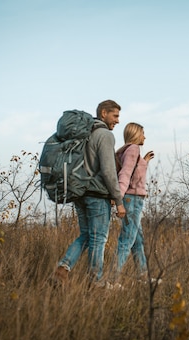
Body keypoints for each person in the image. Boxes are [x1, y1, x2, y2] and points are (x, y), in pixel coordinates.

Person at [54, 100, 126, 287]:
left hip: (79, 193)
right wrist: (118, 200)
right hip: (97, 194)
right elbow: (109, 172)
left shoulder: (84, 134)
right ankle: (96, 281)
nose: (117, 121)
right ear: (103, 113)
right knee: (99, 238)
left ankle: (63, 267)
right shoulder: (104, 135)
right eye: (115, 115)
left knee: (86, 234)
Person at [114, 122, 155, 281]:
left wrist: (143, 162)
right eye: (142, 133)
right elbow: (124, 175)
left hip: (133, 199)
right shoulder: (133, 149)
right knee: (126, 240)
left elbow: (133, 173)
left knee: (138, 241)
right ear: (136, 134)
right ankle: (112, 279)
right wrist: (118, 200)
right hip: (132, 200)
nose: (144, 136)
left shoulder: (127, 152)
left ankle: (143, 275)